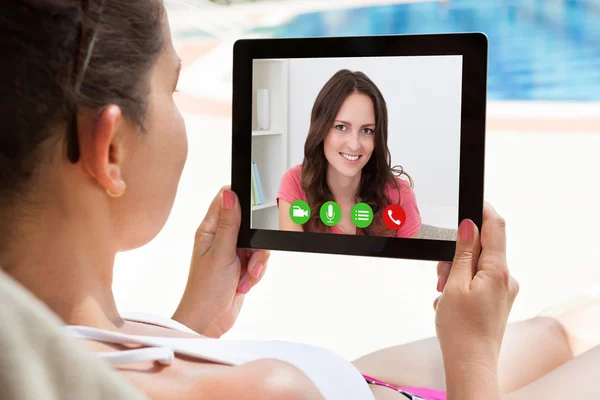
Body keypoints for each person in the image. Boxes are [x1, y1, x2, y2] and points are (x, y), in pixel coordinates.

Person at [1, 1, 599, 399]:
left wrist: (191, 325)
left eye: (366, 130)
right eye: (172, 87)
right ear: (110, 150)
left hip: (352, 380)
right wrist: (472, 356)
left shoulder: (34, 342)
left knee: (569, 323)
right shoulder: (269, 389)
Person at [277, 69, 421, 238]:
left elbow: (412, 264)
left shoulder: (399, 196)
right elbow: (292, 261)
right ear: (321, 129)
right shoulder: (295, 183)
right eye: (341, 127)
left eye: (367, 130)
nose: (354, 145)